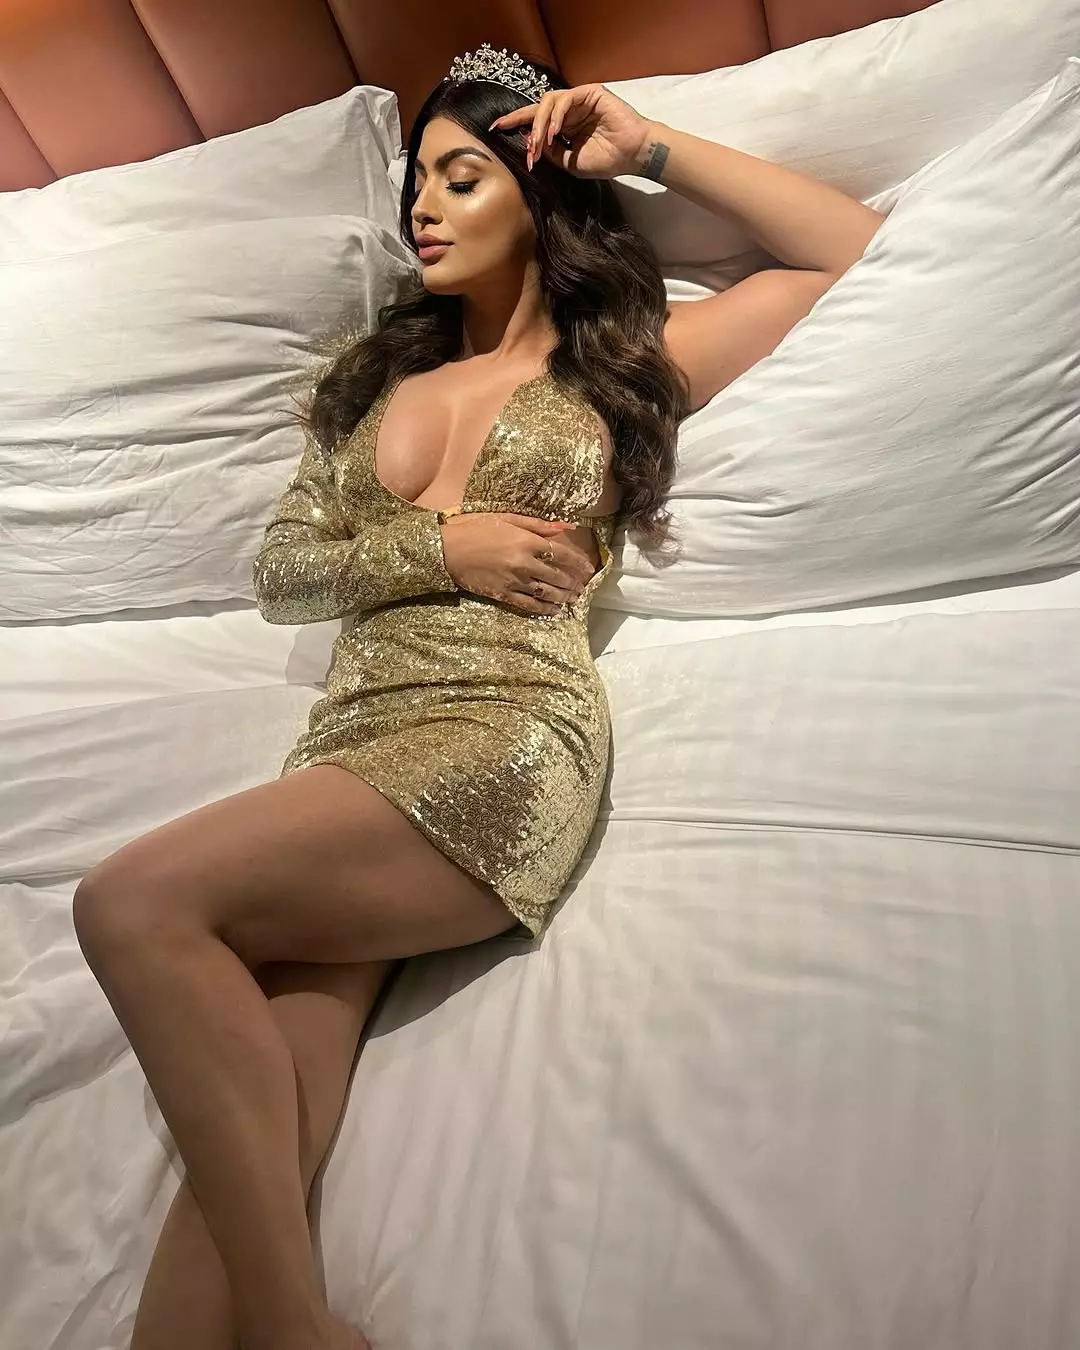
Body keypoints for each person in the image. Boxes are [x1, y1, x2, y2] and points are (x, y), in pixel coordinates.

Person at [71, 42, 884, 1350]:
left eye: (461, 178)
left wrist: (649, 147)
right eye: (416, 188)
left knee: (130, 902)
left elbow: (845, 250)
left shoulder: (623, 367)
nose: (425, 212)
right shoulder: (375, 385)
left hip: (500, 737)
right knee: (259, 1108)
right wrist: (444, 546)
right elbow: (285, 572)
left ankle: (293, 1326)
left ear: (540, 197)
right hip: (347, 744)